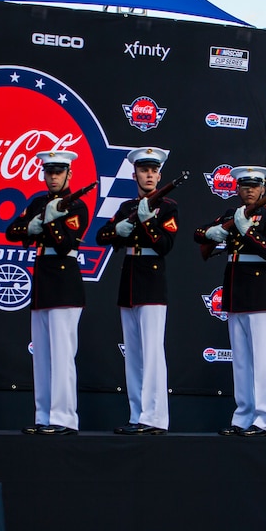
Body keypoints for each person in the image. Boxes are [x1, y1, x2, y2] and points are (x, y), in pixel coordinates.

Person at [194, 165, 266, 437]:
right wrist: (212, 233)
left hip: (261, 293)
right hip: (236, 292)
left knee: (262, 361)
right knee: (243, 361)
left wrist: (248, 231)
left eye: (255, 186)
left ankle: (265, 420)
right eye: (245, 186)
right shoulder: (230, 215)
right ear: (236, 189)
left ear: (263, 189)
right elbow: (199, 234)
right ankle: (243, 416)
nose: (250, 190)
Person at [96, 147, 179, 435]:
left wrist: (147, 221)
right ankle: (137, 414)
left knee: (153, 353)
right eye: (144, 170)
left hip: (152, 283)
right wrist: (122, 227)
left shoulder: (167, 206)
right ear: (135, 175)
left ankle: (155, 417)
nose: (149, 175)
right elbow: (102, 236)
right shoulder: (126, 207)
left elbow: (165, 245)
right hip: (129, 282)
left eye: (154, 170)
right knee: (133, 355)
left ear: (160, 174)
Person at [7, 150, 89, 435]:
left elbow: (66, 244)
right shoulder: (38, 202)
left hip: (65, 283)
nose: (53, 177)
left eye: (59, 172)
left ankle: (64, 418)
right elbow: (12, 231)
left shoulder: (77, 206)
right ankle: (44, 415)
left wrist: (50, 221)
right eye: (49, 172)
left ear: (69, 174)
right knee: (42, 355)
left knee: (62, 355)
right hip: (42, 281)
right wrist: (37, 221)